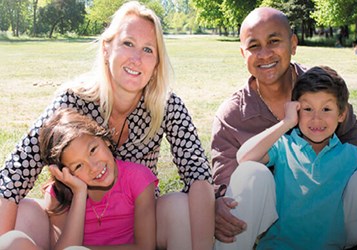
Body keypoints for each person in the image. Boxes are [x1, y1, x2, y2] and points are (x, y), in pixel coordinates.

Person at [0, 1, 214, 250]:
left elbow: (198, 174)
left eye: (148, 49)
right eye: (128, 43)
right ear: (106, 48)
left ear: (156, 63)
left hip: (136, 222)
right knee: (24, 212)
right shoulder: (73, 99)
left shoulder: (165, 104)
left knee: (179, 205)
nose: (136, 58)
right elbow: (14, 176)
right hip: (76, 223)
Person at [211, 6, 357, 249]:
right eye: (254, 45)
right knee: (250, 172)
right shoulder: (232, 114)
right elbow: (227, 180)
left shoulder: (322, 86)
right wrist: (217, 203)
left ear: (293, 43)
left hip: (332, 214)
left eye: (274, 40)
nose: (265, 53)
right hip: (267, 222)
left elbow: (355, 149)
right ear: (242, 53)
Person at [234, 66, 357, 249]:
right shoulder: (284, 146)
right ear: (296, 110)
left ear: (341, 114)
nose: (316, 119)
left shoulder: (350, 155)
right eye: (307, 109)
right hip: (278, 246)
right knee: (249, 171)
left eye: (326, 109)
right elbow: (244, 158)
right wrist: (286, 122)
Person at [1, 108, 158, 250]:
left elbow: (146, 246)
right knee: (10, 242)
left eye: (93, 150)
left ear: (104, 139)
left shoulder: (138, 178)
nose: (93, 167)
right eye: (78, 166)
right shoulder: (60, 195)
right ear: (66, 173)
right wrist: (79, 193)